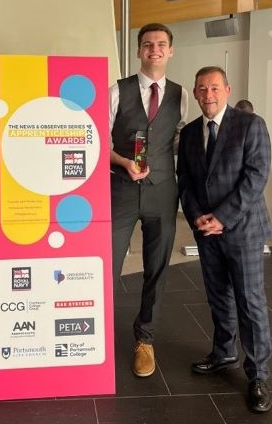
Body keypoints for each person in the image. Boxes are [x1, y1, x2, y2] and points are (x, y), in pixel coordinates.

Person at [177, 66, 272, 413]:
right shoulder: (189, 133)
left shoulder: (250, 125)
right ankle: (223, 353)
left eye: (215, 88)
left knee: (249, 301)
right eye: (202, 89)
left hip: (242, 230)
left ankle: (258, 375)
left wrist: (222, 217)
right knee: (218, 296)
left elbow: (256, 176)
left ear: (227, 90)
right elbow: (185, 179)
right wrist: (196, 216)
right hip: (206, 232)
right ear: (195, 93)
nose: (209, 95)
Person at [109, 23, 188, 377]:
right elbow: (97, 141)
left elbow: (178, 139)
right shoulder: (117, 90)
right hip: (121, 189)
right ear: (139, 50)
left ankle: (145, 339)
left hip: (162, 191)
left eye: (160, 44)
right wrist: (123, 161)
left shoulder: (181, 95)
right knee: (107, 265)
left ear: (170, 51)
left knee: (157, 267)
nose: (154, 49)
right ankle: (96, 332)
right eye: (147, 44)